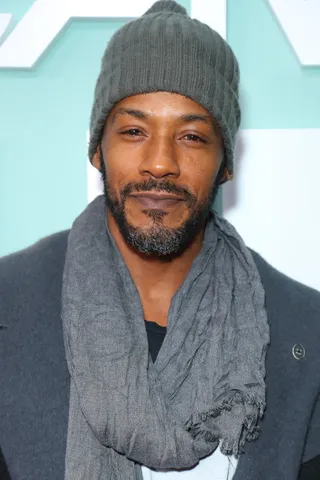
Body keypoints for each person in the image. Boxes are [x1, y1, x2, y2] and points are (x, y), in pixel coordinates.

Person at [0, 1, 319, 479]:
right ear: (97, 149)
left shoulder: (303, 329)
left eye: (191, 137)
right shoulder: (10, 303)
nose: (159, 163)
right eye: (133, 130)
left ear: (226, 162)